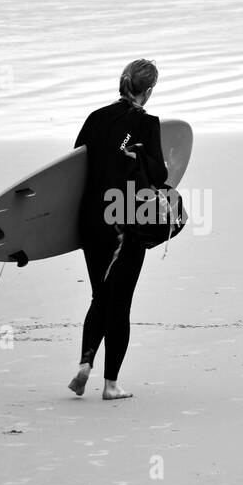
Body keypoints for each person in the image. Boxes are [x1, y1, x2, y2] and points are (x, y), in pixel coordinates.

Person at [68, 59, 167, 400]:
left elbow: (74, 166)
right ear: (149, 90)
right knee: (120, 303)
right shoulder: (148, 123)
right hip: (126, 221)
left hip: (91, 220)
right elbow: (160, 176)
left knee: (100, 296)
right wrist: (137, 155)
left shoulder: (95, 118)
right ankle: (110, 385)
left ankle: (84, 363)